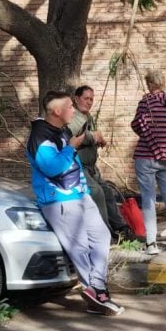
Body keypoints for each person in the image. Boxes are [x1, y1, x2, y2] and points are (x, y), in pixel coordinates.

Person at [27, 90, 124, 316]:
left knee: (101, 235)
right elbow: (52, 167)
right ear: (57, 111)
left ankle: (96, 288)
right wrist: (72, 146)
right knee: (79, 247)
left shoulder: (57, 131)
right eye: (70, 106)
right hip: (60, 200)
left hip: (79, 195)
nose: (74, 109)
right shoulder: (40, 136)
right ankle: (96, 292)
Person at [69, 85, 140, 241]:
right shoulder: (73, 115)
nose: (89, 102)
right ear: (76, 98)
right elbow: (74, 136)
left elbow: (91, 136)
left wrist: (98, 140)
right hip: (77, 167)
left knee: (107, 192)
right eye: (86, 98)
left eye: (91, 99)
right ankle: (104, 235)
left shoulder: (88, 116)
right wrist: (94, 137)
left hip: (91, 167)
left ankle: (121, 229)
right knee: (97, 193)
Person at [131, 69, 166, 255]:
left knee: (148, 198)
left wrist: (152, 143)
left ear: (151, 84)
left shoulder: (146, 101)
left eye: (148, 84)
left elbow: (137, 124)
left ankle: (151, 243)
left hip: (146, 156)